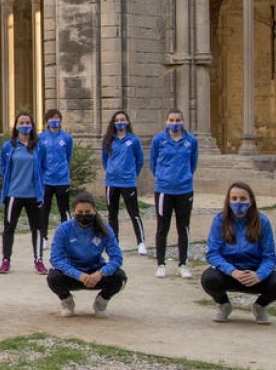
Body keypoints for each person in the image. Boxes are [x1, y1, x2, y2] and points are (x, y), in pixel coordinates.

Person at [202, 182, 276, 324]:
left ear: (251, 201)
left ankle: (259, 307)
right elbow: (213, 254)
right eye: (234, 198)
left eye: (243, 199)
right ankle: (223, 304)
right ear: (228, 201)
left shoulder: (263, 222)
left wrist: (259, 275)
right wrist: (232, 271)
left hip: (254, 274)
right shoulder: (220, 220)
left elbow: (270, 257)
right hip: (230, 273)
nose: (238, 202)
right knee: (208, 278)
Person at [47, 193, 126, 318]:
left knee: (119, 277)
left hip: (96, 274)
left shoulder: (105, 229)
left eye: (87, 211)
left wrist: (101, 273)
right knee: (53, 277)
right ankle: (67, 301)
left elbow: (116, 258)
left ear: (94, 211)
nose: (84, 215)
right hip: (72, 274)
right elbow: (56, 259)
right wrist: (79, 275)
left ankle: (101, 302)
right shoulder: (63, 230)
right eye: (80, 211)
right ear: (74, 212)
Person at [150, 108, 199, 279]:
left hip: (184, 190)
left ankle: (183, 264)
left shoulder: (191, 140)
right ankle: (161, 264)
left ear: (183, 121)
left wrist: (184, 177)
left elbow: (193, 163)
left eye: (178, 120)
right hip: (164, 189)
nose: (175, 123)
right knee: (162, 227)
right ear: (166, 121)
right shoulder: (159, 140)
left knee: (183, 227)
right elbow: (153, 162)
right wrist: (162, 177)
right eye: (172, 120)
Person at [0, 111, 46, 274]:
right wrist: (11, 182)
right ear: (16, 125)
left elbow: (44, 166)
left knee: (37, 228)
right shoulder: (9, 146)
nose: (24, 126)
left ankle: (39, 260)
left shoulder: (39, 146)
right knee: (9, 228)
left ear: (32, 126)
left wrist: (39, 183)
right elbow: (3, 167)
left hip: (34, 194)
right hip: (14, 193)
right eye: (22, 123)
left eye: (27, 123)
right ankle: (6, 260)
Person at [101, 110, 146, 255]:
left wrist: (133, 174)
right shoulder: (109, 140)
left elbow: (139, 160)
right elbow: (104, 159)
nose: (120, 122)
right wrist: (110, 171)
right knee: (112, 214)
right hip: (112, 182)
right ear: (113, 123)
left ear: (127, 122)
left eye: (123, 120)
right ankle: (114, 243)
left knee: (134, 213)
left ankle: (141, 242)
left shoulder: (134, 140)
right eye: (117, 120)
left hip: (128, 182)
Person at [38, 109, 74, 256]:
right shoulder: (41, 138)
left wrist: (64, 172)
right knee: (44, 210)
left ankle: (67, 238)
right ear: (46, 121)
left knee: (64, 210)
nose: (54, 120)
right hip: (46, 180)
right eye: (51, 118)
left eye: (57, 118)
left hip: (62, 179)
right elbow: (39, 158)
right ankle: (43, 237)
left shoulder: (66, 138)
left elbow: (69, 156)